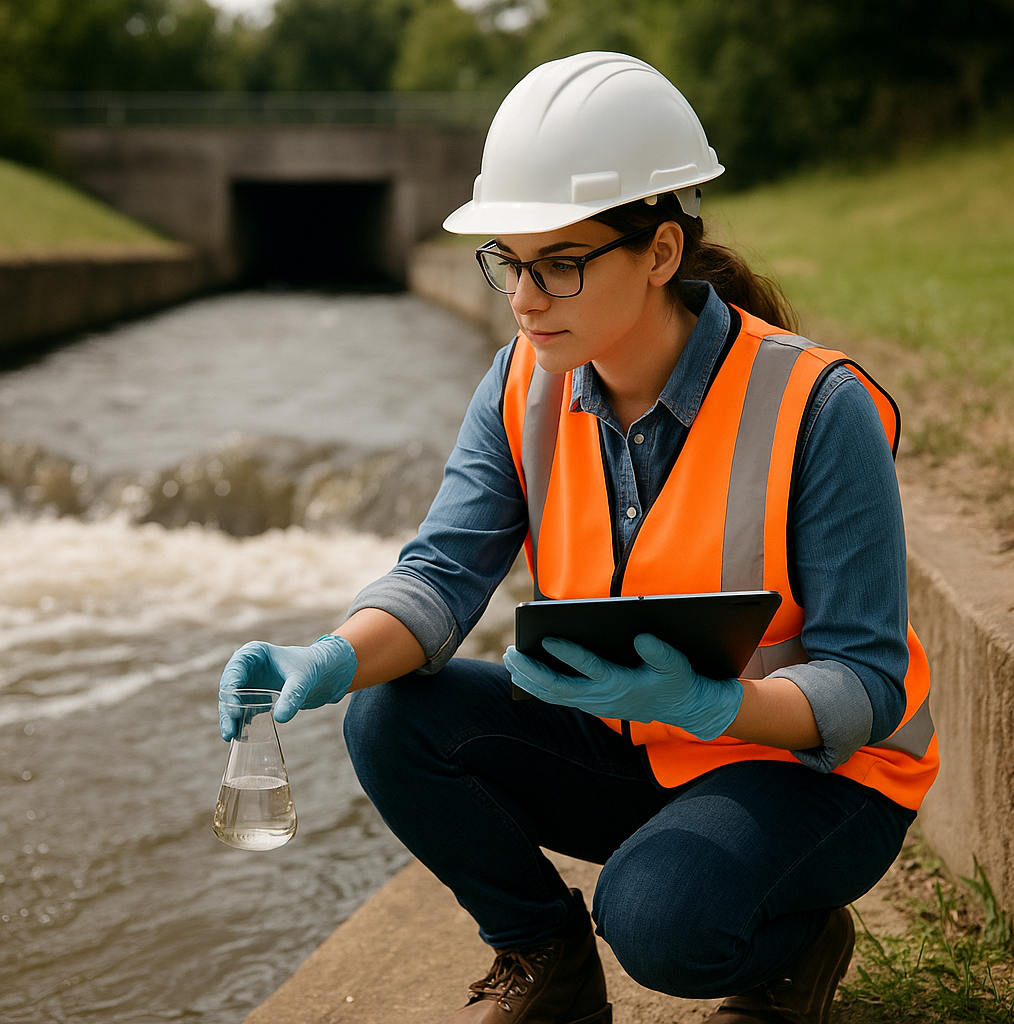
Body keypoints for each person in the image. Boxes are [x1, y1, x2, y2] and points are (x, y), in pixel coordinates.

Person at [218, 51, 939, 1024]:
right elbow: (442, 569)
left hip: (816, 773)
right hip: (644, 742)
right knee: (389, 717)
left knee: (656, 921)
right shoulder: (523, 379)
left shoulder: (818, 405)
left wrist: (713, 703)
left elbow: (870, 682)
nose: (522, 299)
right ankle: (544, 959)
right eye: (509, 262)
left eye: (559, 264)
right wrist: (330, 655)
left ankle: (796, 945)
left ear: (659, 252)